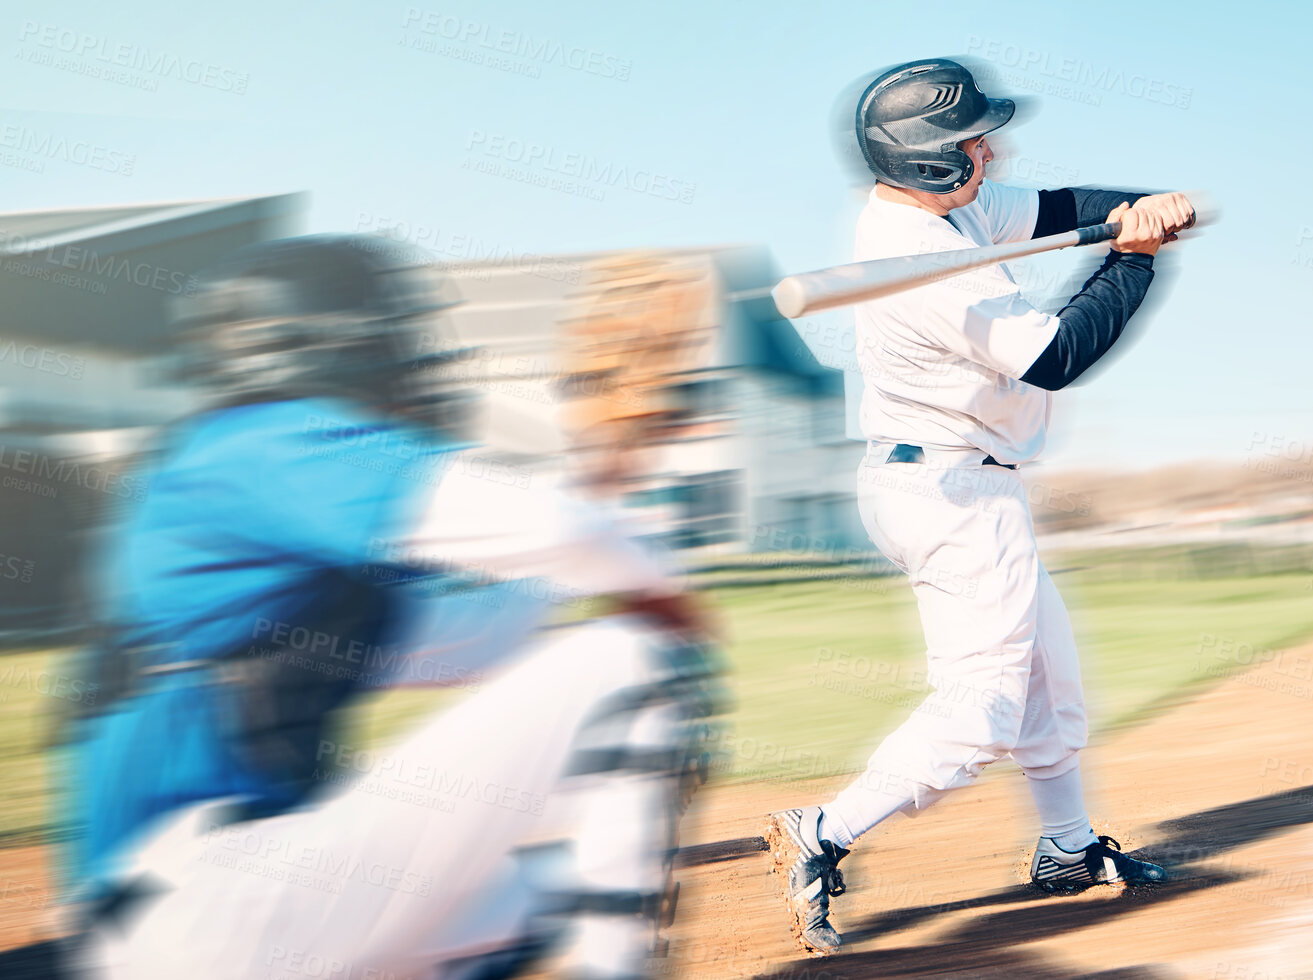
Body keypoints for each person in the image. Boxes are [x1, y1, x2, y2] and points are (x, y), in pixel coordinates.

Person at [62, 235, 717, 980]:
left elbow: (477, 638)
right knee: (638, 663)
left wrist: (605, 474)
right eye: (390, 349)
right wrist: (656, 590)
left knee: (545, 889)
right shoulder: (253, 443)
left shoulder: (239, 503)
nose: (411, 376)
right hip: (207, 910)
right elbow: (557, 532)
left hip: (195, 927)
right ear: (319, 355)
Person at [765, 57, 1197, 955]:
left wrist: (1140, 205)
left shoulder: (951, 206)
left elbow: (1060, 208)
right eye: (973, 141)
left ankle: (1067, 850)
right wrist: (1134, 258)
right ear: (928, 160)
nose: (991, 154)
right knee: (983, 710)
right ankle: (824, 832)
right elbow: (1053, 357)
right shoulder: (918, 257)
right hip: (950, 491)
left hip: (956, 479)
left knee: (1049, 677)